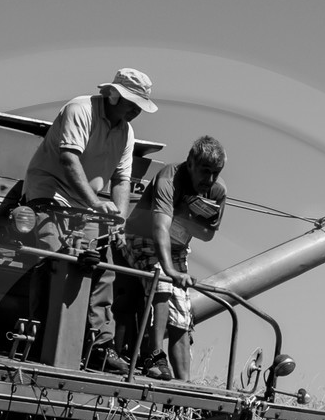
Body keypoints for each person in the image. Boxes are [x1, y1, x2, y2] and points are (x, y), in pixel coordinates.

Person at [20, 68, 157, 371]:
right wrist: (96, 203)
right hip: (51, 195)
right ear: (113, 94)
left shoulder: (126, 132)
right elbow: (68, 159)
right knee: (55, 260)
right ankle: (42, 336)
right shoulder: (80, 109)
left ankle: (100, 346)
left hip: (87, 206)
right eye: (131, 104)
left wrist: (118, 219)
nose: (135, 112)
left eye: (139, 107)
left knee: (103, 267)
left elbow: (122, 179)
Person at [118, 135, 226, 381]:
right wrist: (170, 269)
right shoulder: (169, 178)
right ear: (190, 163)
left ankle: (184, 384)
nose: (209, 180)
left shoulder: (217, 191)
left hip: (176, 249)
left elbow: (208, 234)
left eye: (216, 173)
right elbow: (160, 228)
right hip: (139, 238)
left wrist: (188, 214)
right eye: (205, 171)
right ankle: (153, 355)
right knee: (164, 279)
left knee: (182, 312)